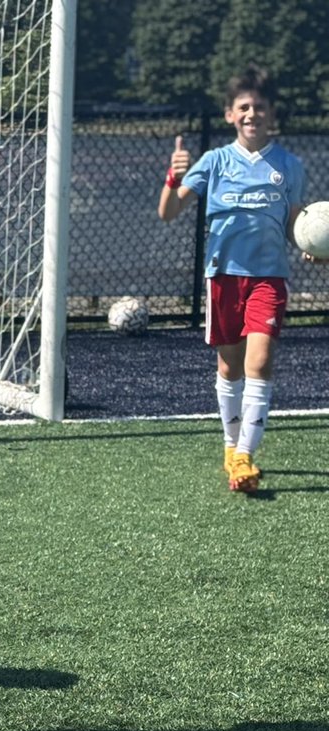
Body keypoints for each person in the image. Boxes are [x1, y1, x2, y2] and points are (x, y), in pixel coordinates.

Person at [159, 65, 315, 493]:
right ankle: (231, 446)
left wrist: (310, 243)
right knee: (229, 367)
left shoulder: (288, 165)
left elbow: (293, 222)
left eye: (259, 107)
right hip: (223, 279)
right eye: (243, 107)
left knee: (260, 362)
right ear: (230, 115)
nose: (251, 114)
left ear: (271, 114)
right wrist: (173, 177)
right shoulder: (214, 162)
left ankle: (245, 456)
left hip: (268, 279)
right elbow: (169, 212)